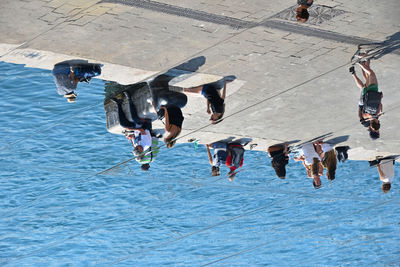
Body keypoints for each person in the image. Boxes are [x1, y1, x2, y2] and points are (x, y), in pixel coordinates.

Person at [350, 59, 383, 140]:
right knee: (366, 81)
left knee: (370, 76)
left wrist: (378, 113)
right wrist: (360, 107)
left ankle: (362, 63)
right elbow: (360, 114)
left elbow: (379, 104)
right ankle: (364, 63)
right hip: (364, 100)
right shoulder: (365, 122)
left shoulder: (376, 116)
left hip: (370, 96)